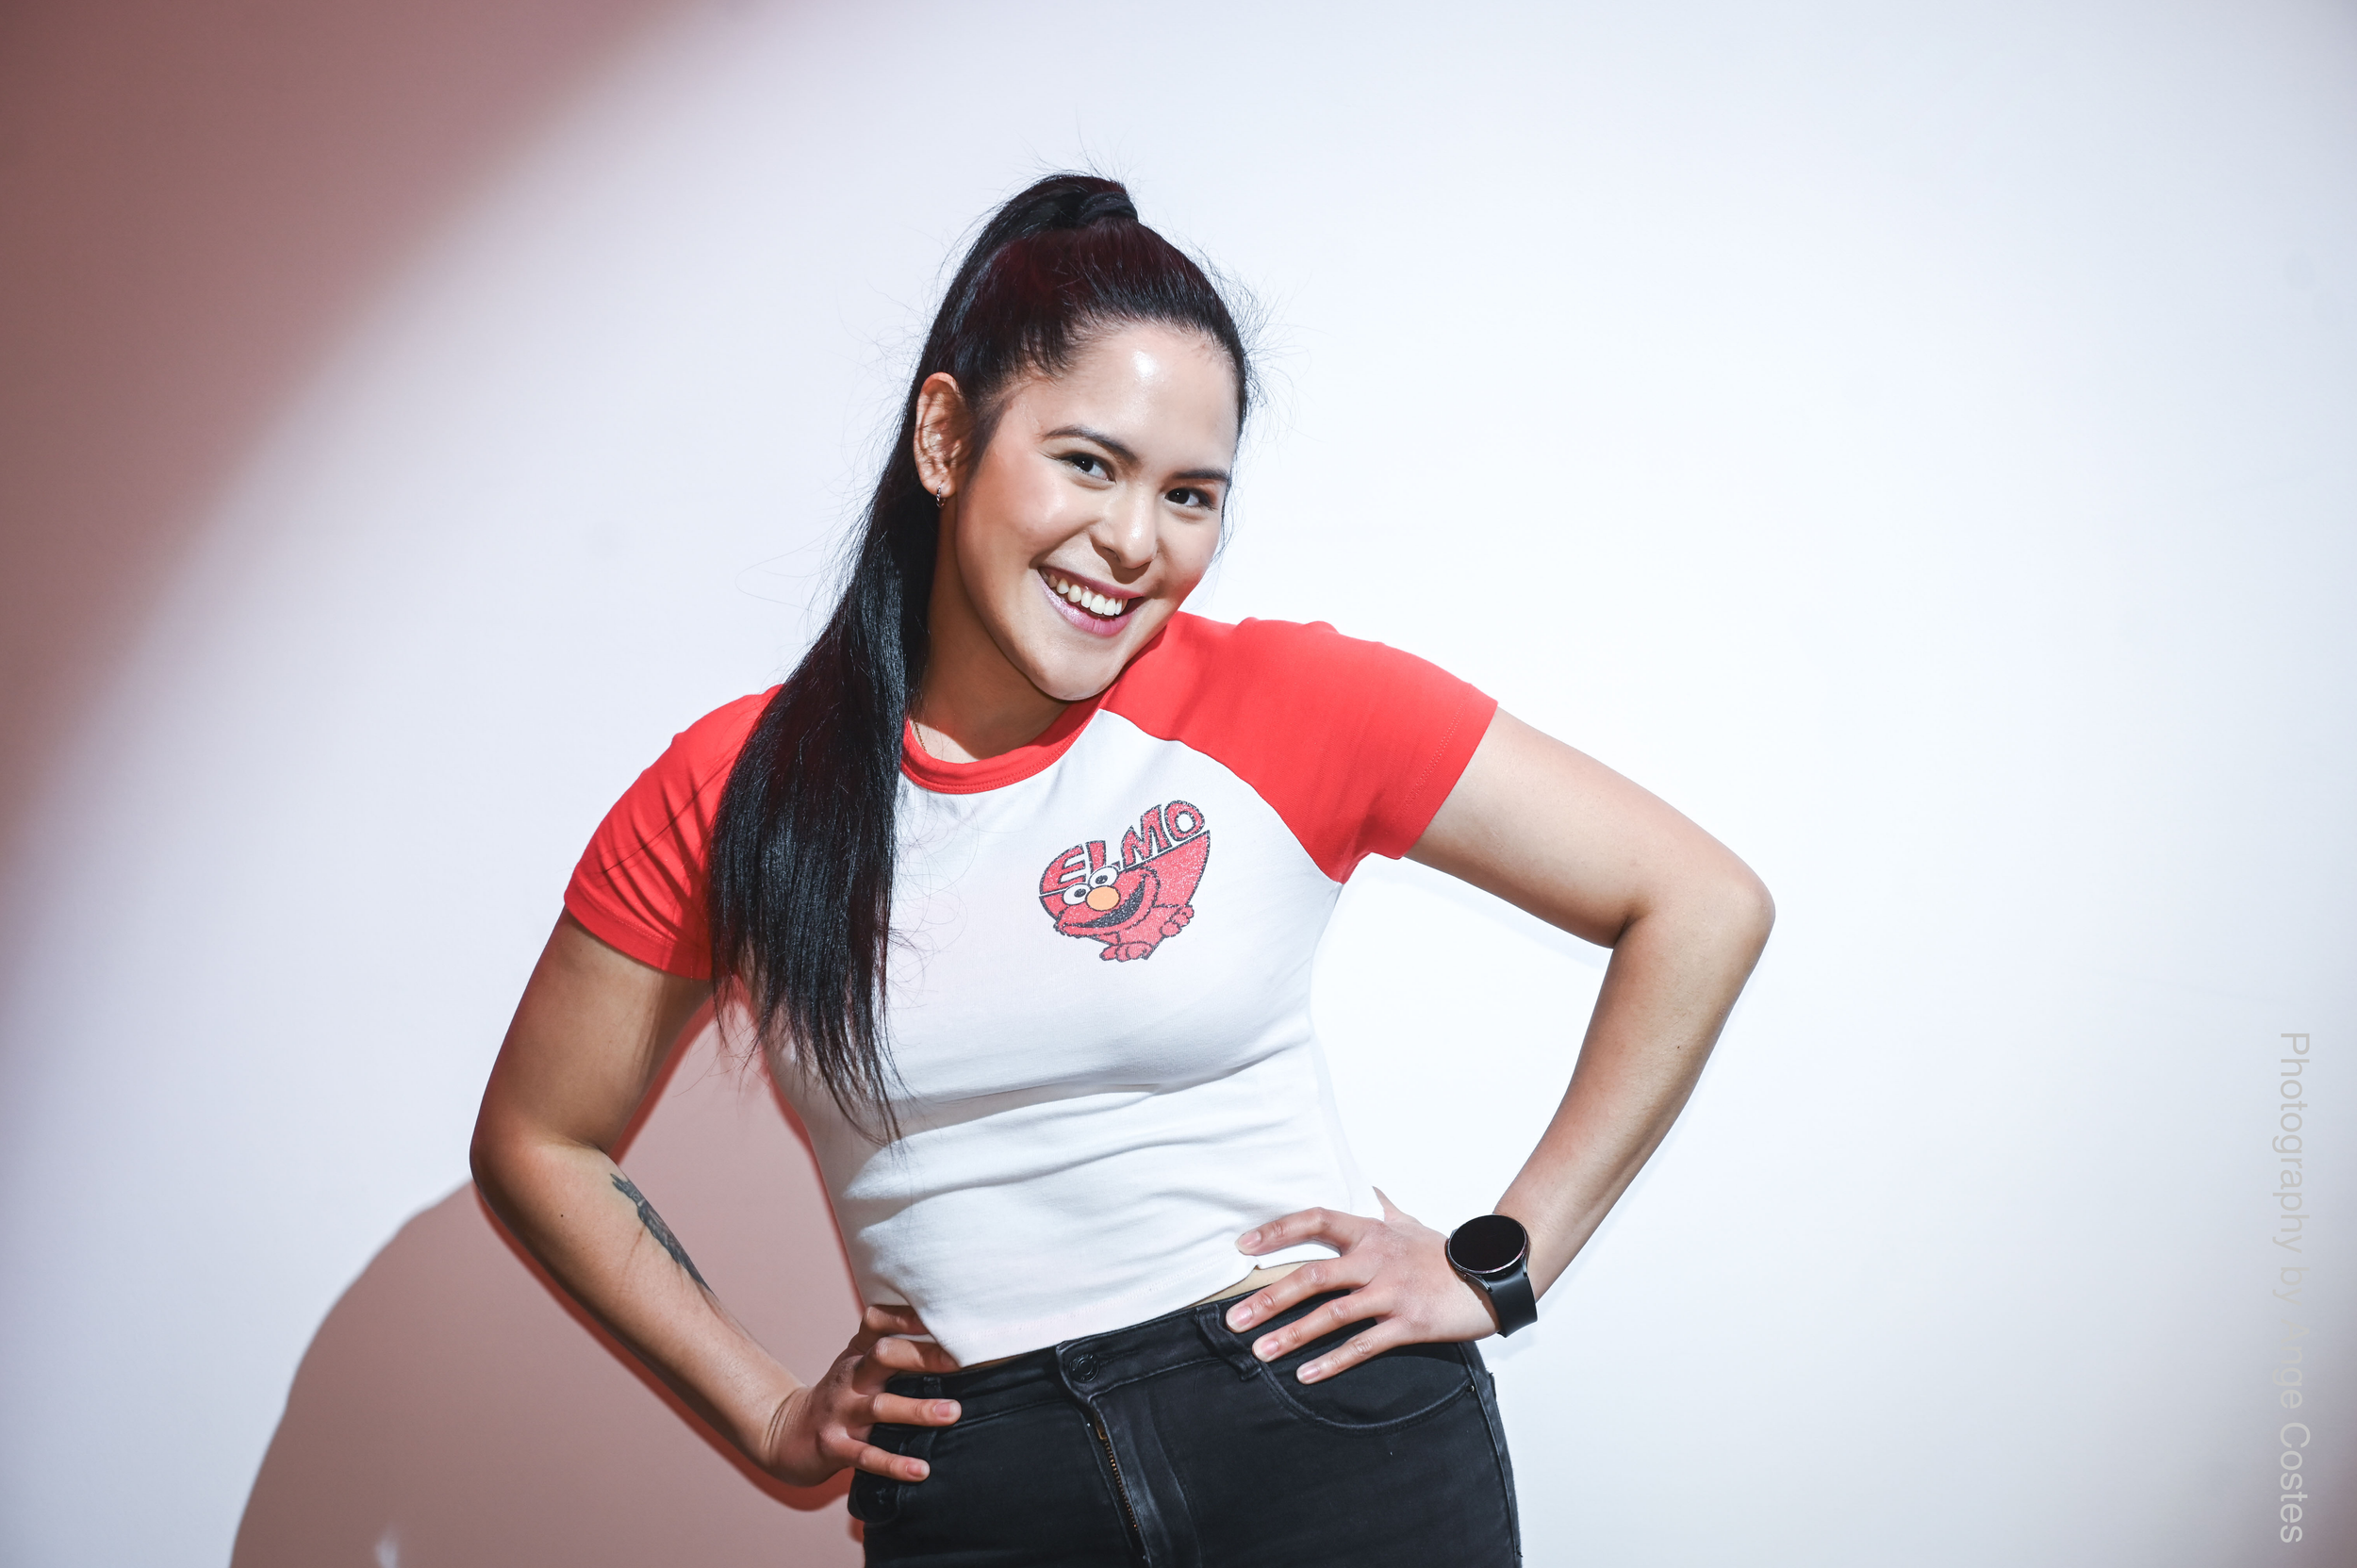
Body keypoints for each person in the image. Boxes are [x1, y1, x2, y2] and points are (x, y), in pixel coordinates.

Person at [470, 173, 1772, 1566]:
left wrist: (1498, 1264)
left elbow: (1699, 901)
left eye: (1191, 493)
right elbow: (537, 1140)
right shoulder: (738, 793)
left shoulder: (1287, 698)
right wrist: (772, 1414)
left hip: (1328, 1430)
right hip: (985, 1486)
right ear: (946, 435)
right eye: (1089, 462)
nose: (1137, 542)